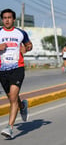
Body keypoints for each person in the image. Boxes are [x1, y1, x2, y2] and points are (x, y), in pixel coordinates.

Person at [0, 9, 33, 139]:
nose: (7, 20)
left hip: (17, 68)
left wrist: (27, 48)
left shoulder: (20, 33)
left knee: (13, 97)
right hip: (2, 70)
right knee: (12, 98)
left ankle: (9, 128)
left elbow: (29, 45)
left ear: (14, 19)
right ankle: (22, 105)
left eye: (9, 17)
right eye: (4, 18)